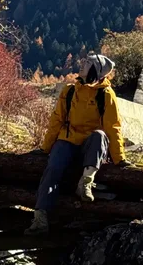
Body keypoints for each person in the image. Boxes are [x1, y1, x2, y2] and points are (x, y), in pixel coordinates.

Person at [25, 52, 130, 235]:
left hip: (90, 145)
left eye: (88, 62)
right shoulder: (70, 91)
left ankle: (86, 183)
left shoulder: (105, 95)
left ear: (97, 70)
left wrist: (119, 158)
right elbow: (57, 120)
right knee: (52, 170)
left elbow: (113, 127)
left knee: (99, 135)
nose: (82, 64)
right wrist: (45, 148)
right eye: (83, 61)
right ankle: (40, 218)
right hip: (67, 140)